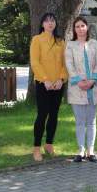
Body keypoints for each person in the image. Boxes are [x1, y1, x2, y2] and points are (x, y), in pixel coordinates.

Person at [30, 12, 68, 162]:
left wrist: (61, 79)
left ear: (55, 23)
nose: (50, 23)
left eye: (52, 20)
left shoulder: (60, 42)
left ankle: (49, 144)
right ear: (42, 24)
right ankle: (36, 148)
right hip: (43, 84)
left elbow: (65, 64)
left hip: (58, 85)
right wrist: (45, 80)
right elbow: (35, 62)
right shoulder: (37, 40)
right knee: (42, 115)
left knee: (54, 114)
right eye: (46, 21)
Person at [65, 16, 97, 163]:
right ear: (74, 29)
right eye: (77, 26)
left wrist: (93, 79)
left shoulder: (94, 44)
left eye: (82, 26)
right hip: (77, 88)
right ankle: (81, 151)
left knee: (92, 121)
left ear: (87, 27)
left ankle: (91, 150)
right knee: (80, 121)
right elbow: (69, 64)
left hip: (93, 87)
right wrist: (78, 81)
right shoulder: (70, 45)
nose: (80, 29)